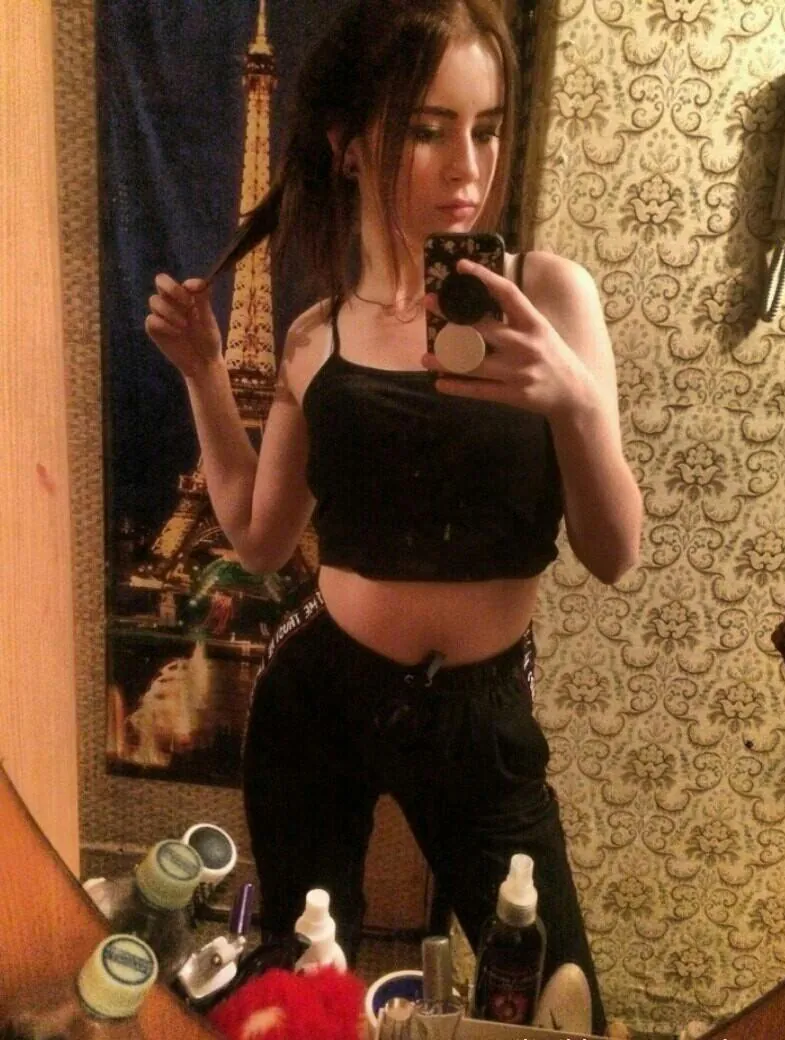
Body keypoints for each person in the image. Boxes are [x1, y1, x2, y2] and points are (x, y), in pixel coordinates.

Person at [145, 0, 642, 1031]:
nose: (469, 165)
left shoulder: (551, 298)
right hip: (319, 702)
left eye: (486, 127)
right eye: (427, 128)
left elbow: (614, 553)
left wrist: (577, 403)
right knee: (306, 988)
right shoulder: (315, 335)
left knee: (555, 1005)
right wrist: (202, 372)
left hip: (482, 719)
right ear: (348, 146)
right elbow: (258, 538)